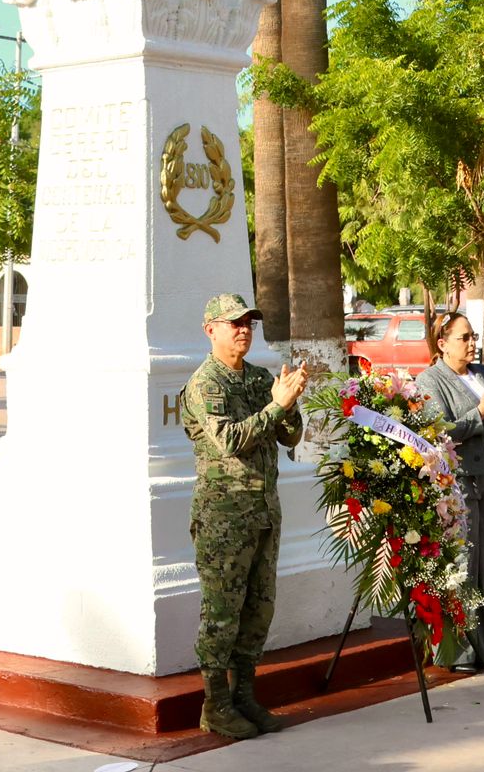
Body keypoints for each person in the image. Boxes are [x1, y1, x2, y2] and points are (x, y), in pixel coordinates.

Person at [180, 293, 306, 740]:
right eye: (234, 323)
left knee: (258, 610)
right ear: (210, 330)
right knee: (222, 613)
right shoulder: (205, 384)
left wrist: (289, 403)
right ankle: (215, 705)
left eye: (248, 323)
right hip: (224, 517)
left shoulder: (257, 378)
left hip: (263, 512)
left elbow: (290, 436)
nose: (243, 330)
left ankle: (244, 696)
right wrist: (275, 406)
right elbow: (230, 440)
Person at [418, 310, 484, 667]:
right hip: (459, 481)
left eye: (473, 336)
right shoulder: (431, 380)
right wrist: (481, 412)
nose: (472, 343)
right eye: (464, 338)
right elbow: (438, 431)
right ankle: (457, 651)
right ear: (442, 343)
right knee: (463, 563)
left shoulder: (483, 373)